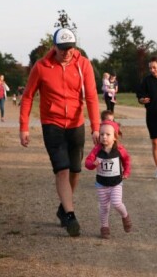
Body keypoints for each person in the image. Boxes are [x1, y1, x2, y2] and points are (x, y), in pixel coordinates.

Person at [19, 28, 100, 237]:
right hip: (52, 124)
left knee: (75, 170)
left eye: (70, 48)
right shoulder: (41, 67)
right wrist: (24, 127)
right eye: (62, 48)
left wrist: (96, 128)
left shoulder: (83, 64)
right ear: (54, 47)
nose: (67, 52)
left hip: (76, 124)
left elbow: (91, 97)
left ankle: (63, 208)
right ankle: (71, 215)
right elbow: (27, 96)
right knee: (62, 170)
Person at [85, 120, 131, 239]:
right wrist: (93, 164)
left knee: (116, 203)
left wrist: (126, 172)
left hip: (116, 183)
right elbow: (87, 163)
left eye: (108, 134)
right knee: (104, 206)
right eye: (101, 134)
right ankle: (104, 227)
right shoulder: (96, 150)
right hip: (101, 184)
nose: (104, 137)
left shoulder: (120, 149)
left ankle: (125, 216)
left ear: (115, 137)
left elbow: (127, 160)